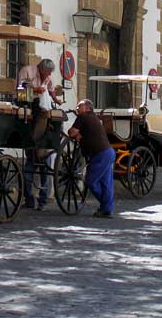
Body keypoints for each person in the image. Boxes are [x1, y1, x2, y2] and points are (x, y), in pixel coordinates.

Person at [18, 59, 62, 210]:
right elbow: (20, 91)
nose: (49, 75)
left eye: (50, 73)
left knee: (41, 165)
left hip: (41, 110)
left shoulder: (48, 77)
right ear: (41, 69)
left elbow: (51, 90)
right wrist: (35, 91)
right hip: (27, 103)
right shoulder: (27, 71)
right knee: (31, 164)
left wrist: (56, 99)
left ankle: (42, 200)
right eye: (48, 72)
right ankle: (29, 199)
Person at [68, 99, 115, 218]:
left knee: (91, 180)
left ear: (87, 108)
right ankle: (107, 209)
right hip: (108, 152)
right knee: (106, 182)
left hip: (99, 154)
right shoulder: (94, 117)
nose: (77, 108)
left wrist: (77, 135)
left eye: (80, 106)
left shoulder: (83, 117)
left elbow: (72, 133)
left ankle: (105, 204)